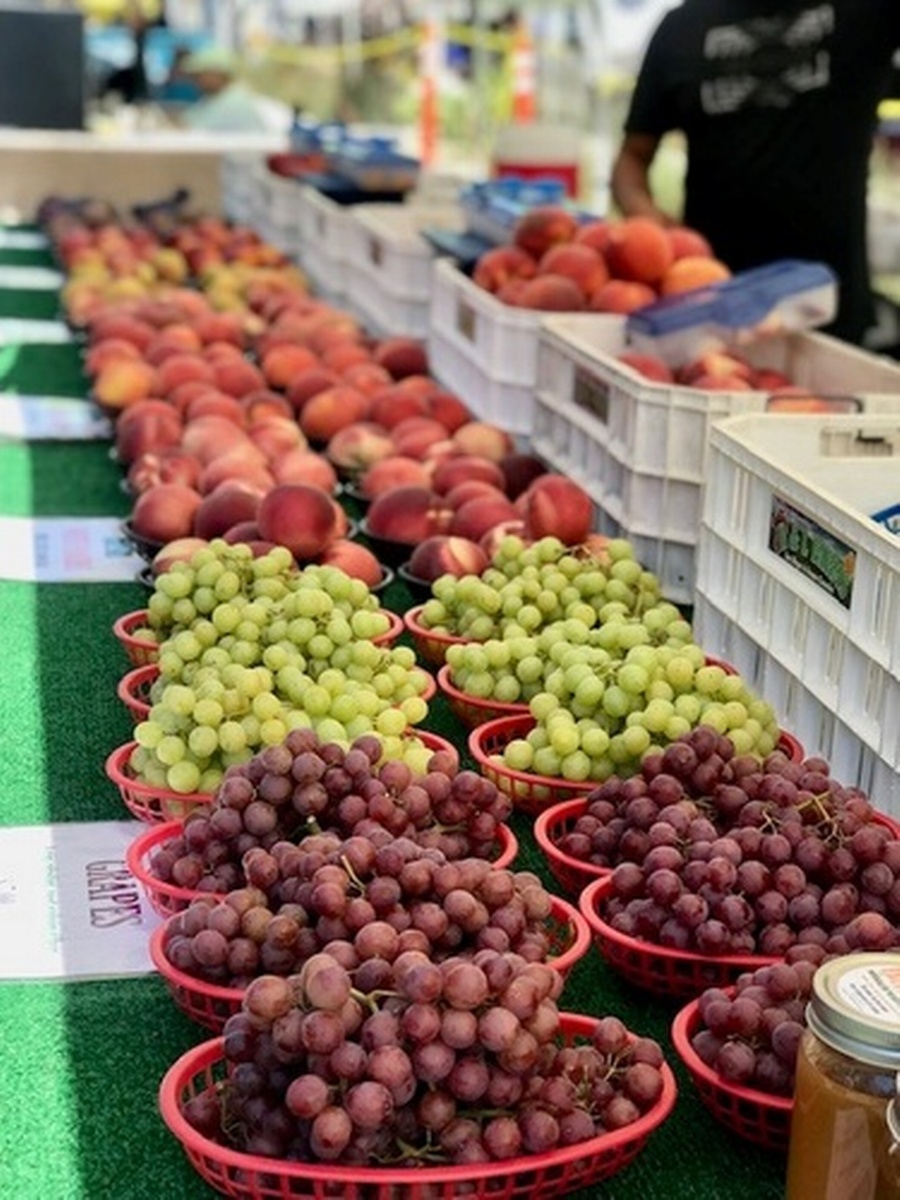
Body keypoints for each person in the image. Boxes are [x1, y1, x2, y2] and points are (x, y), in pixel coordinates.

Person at [610, 0, 900, 344]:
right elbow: (632, 159)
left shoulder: (862, 11)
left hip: (828, 316)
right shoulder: (682, 28)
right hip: (712, 317)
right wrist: (656, 233)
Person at [177, 48, 277, 134]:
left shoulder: (235, 100)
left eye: (200, 75)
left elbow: (195, 132)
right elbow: (188, 119)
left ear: (217, 74)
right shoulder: (214, 97)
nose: (196, 81)